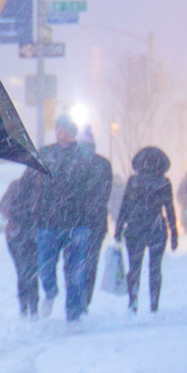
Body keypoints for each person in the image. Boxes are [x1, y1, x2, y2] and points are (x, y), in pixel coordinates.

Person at [33, 116, 108, 322]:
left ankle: (73, 314)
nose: (61, 134)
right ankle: (50, 292)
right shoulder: (45, 154)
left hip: (77, 223)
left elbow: (94, 188)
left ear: (73, 133)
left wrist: (91, 214)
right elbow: (33, 182)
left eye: (65, 130)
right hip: (49, 221)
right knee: (44, 267)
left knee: (75, 272)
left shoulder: (83, 156)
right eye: (58, 130)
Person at [114, 147, 179, 313]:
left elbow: (125, 206)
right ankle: (154, 301)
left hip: (135, 228)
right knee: (155, 267)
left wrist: (119, 227)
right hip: (156, 228)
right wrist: (173, 233)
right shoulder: (164, 183)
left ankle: (133, 299)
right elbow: (169, 209)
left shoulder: (133, 181)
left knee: (134, 267)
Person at [75, 125, 115, 311]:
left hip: (76, 222)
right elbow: (105, 194)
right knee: (90, 264)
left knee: (76, 264)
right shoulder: (103, 165)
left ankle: (78, 300)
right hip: (95, 223)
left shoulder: (73, 163)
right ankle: (83, 301)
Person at [0, 168, 42, 316]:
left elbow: (4, 206)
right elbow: (4, 206)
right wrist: (22, 213)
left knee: (26, 271)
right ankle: (29, 305)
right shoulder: (27, 189)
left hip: (21, 235)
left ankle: (28, 304)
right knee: (27, 271)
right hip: (22, 234)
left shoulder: (19, 187)